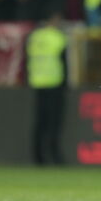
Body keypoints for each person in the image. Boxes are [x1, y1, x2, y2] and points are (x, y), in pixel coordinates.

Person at [27, 10, 68, 165]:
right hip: (54, 84)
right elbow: (65, 62)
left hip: (37, 83)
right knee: (54, 123)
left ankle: (38, 157)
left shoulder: (35, 37)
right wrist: (66, 84)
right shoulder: (58, 37)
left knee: (40, 123)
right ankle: (55, 155)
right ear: (55, 19)